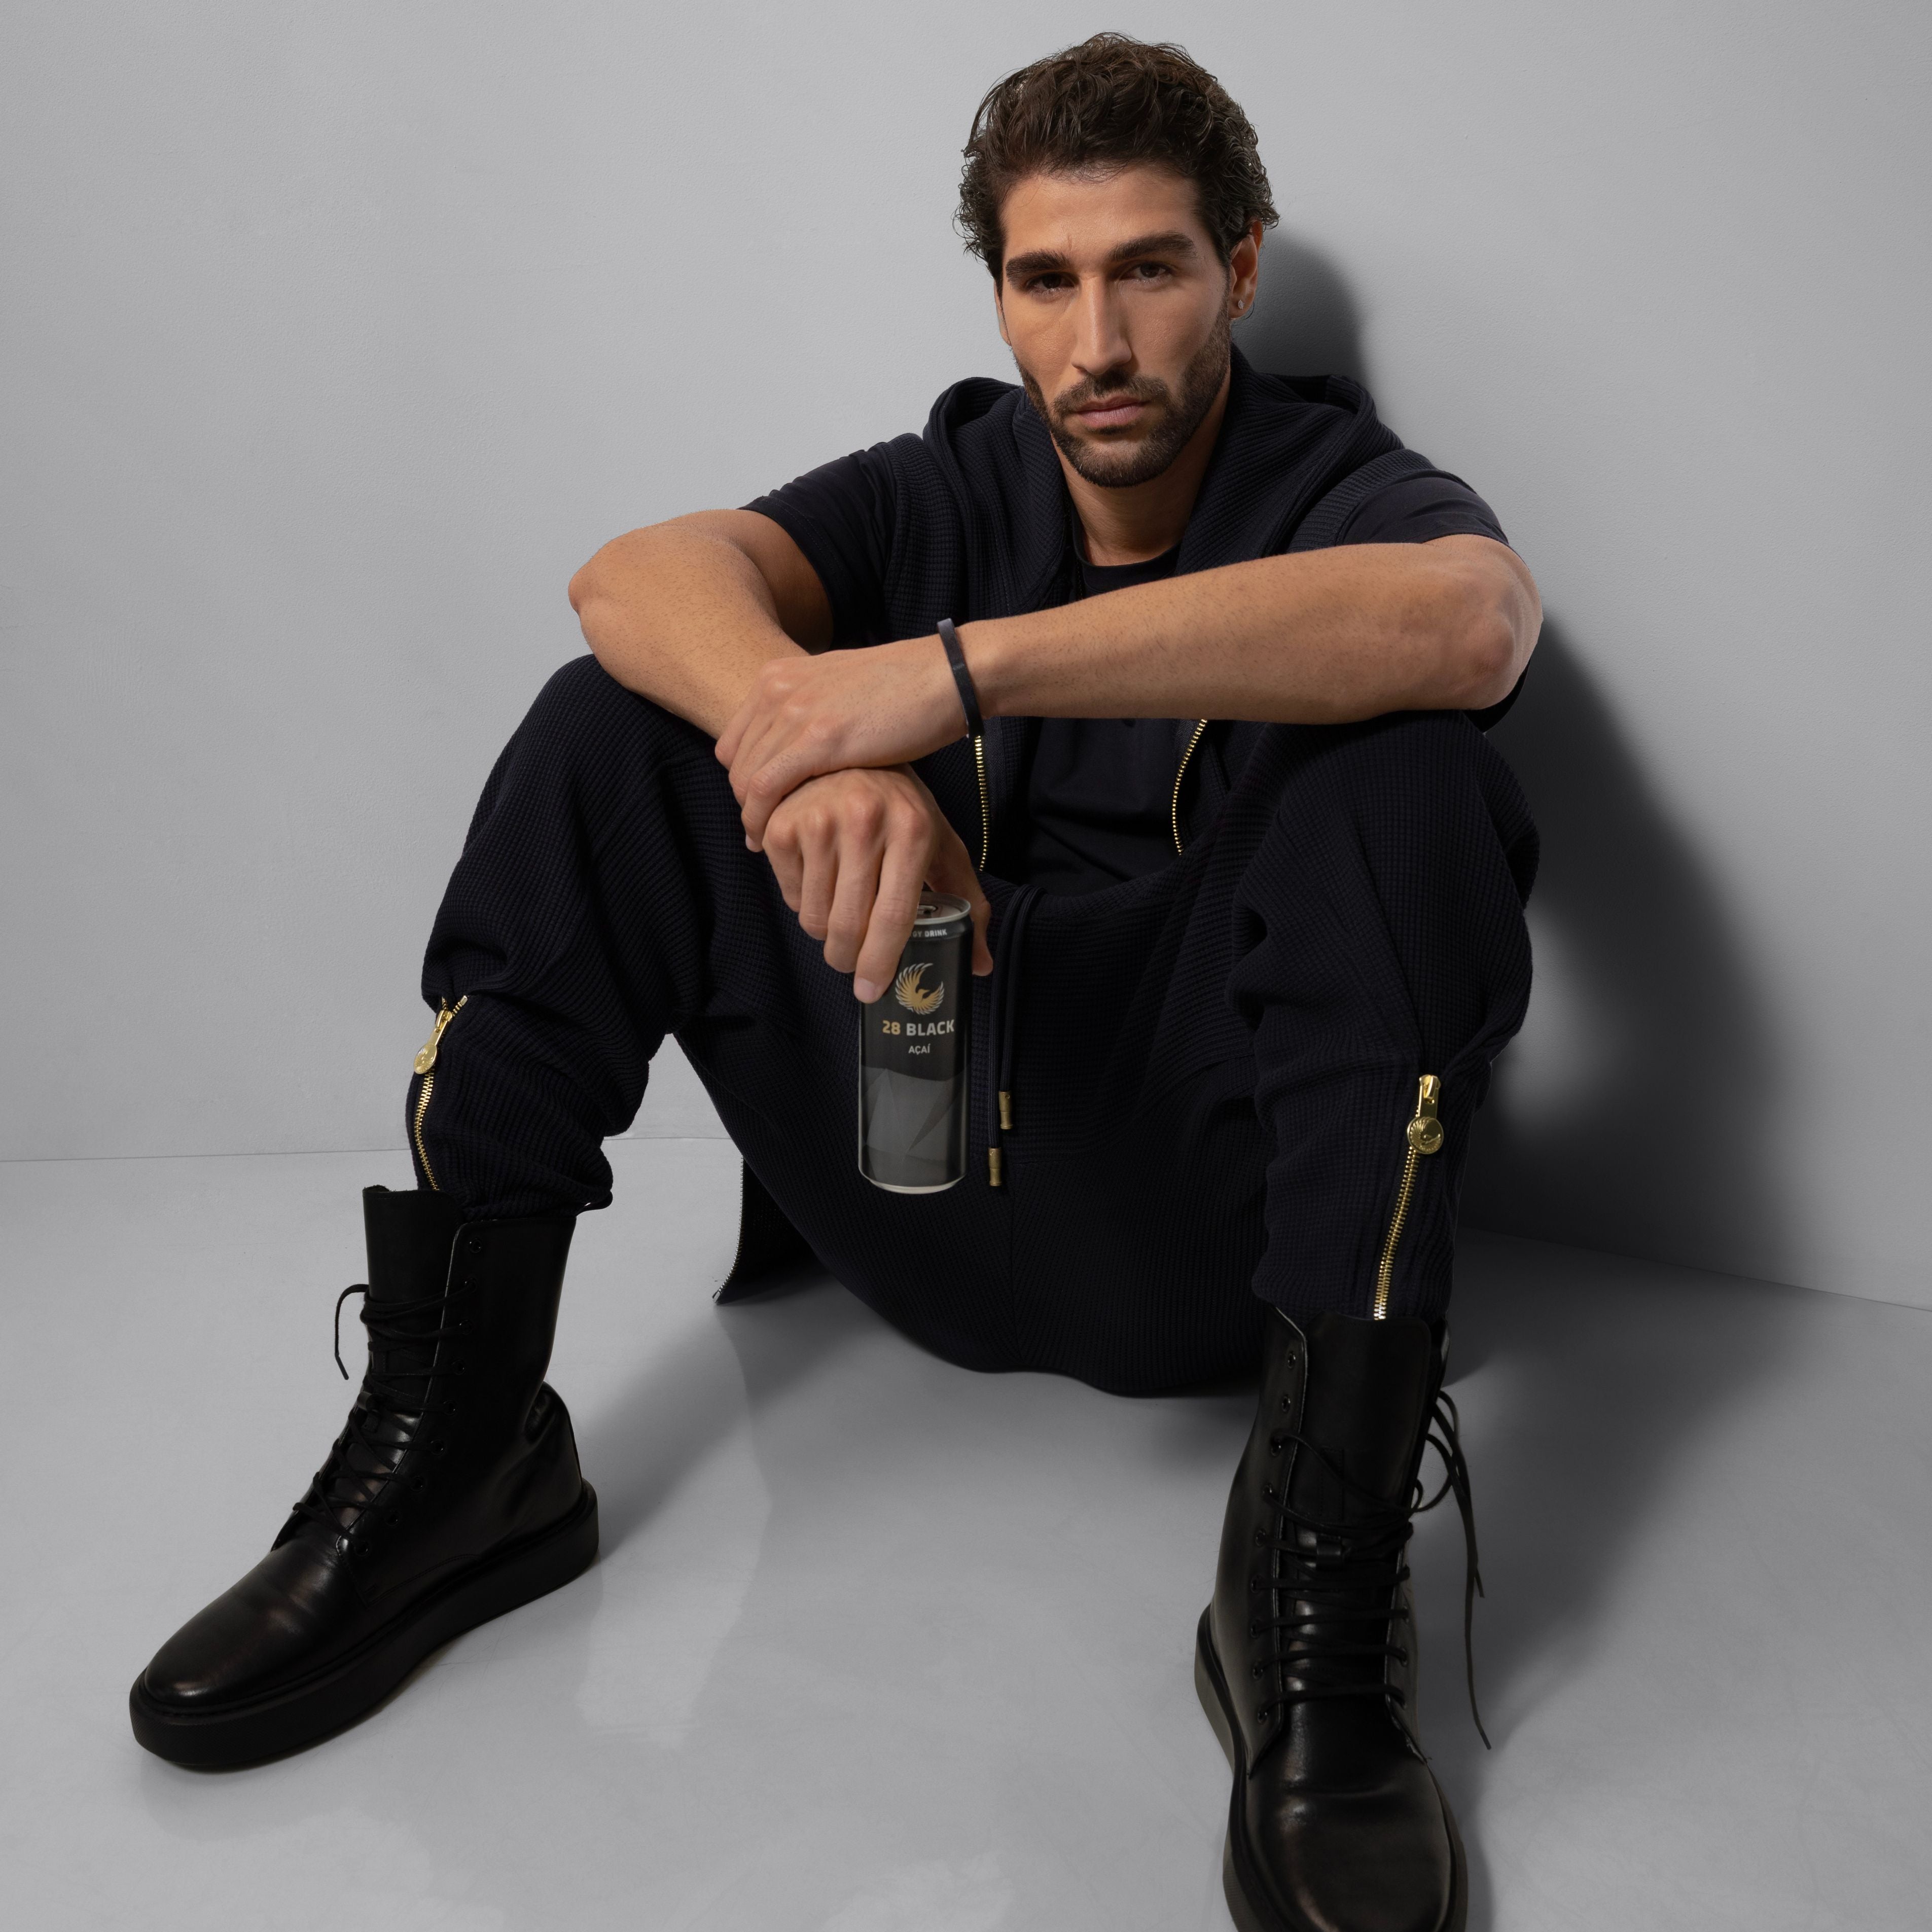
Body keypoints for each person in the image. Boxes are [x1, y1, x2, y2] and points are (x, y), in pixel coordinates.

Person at [130, 33, 1540, 1932]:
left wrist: (951, 676)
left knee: (1410, 768)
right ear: (999, 294)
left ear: (1243, 270)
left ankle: (1303, 1594)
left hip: (1207, 1235)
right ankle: (458, 1444)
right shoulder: (939, 482)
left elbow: (1472, 620)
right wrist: (818, 738)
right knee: (613, 726)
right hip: (911, 1179)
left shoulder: (1335, 486)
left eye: (1150, 269)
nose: (1098, 339)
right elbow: (631, 577)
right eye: (1048, 279)